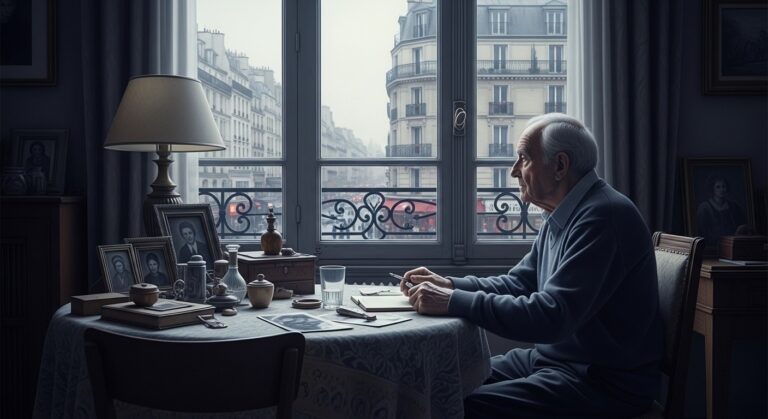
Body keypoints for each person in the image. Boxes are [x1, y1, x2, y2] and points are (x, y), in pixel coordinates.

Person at [400, 113, 663, 418]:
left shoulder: (604, 217)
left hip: (602, 382)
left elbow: (551, 316)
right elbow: (519, 283)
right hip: (554, 363)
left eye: (524, 158)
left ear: (560, 166)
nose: (514, 170)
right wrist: (450, 285)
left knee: (456, 406)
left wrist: (452, 301)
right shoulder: (564, 213)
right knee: (437, 384)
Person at [696, 175, 747, 248]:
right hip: (712, 246)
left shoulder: (734, 207)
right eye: (718, 187)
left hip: (732, 245)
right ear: (712, 189)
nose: (721, 190)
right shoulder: (704, 208)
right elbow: (703, 231)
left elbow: (741, 227)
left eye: (723, 186)